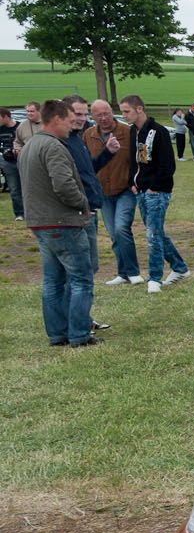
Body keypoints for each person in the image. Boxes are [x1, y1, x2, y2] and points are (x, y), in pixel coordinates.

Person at [19, 100, 97, 347]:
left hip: (40, 222)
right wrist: (83, 203)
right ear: (56, 119)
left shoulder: (31, 145)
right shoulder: (53, 147)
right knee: (81, 279)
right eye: (69, 121)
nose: (72, 126)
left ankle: (58, 333)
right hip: (62, 222)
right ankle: (79, 334)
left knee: (53, 281)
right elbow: (63, 185)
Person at [121, 94, 188, 294]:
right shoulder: (133, 131)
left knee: (153, 235)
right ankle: (180, 268)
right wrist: (132, 182)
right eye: (122, 112)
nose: (124, 115)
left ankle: (155, 278)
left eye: (127, 111)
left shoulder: (159, 131)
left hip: (157, 192)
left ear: (139, 109)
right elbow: (134, 160)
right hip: (140, 190)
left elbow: (168, 165)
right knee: (156, 232)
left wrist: (154, 187)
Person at [61, 97, 109, 330]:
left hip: (90, 210)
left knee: (87, 269)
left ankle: (81, 319)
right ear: (65, 114)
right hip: (80, 213)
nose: (82, 118)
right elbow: (66, 182)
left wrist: (107, 154)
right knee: (80, 272)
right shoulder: (62, 143)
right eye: (77, 114)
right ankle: (78, 322)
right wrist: (83, 205)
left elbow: (88, 171)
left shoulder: (77, 139)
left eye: (84, 114)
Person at [85, 99, 141, 285]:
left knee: (121, 228)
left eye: (106, 114)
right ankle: (122, 273)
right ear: (93, 116)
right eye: (99, 115)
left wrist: (134, 181)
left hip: (125, 189)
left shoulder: (128, 132)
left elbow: (137, 159)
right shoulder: (88, 135)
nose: (104, 118)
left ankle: (133, 272)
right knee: (113, 234)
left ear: (112, 112)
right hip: (103, 193)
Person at [0, 108, 21, 221]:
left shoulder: (20, 127)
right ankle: (19, 213)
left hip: (21, 160)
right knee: (14, 188)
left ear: (5, 117)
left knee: (26, 187)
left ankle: (30, 211)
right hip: (7, 162)